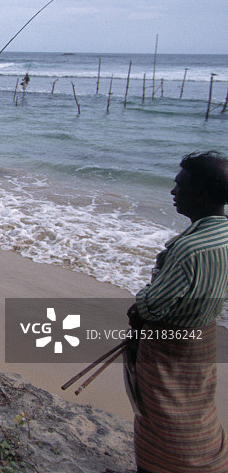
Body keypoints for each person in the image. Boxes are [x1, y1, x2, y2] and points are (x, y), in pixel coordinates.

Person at [124, 150, 228, 473]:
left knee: (162, 413)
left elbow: (153, 305)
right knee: (196, 407)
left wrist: (138, 307)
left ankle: (163, 466)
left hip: (170, 348)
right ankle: (210, 461)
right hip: (203, 336)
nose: (173, 192)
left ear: (200, 194)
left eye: (179, 185)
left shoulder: (189, 248)